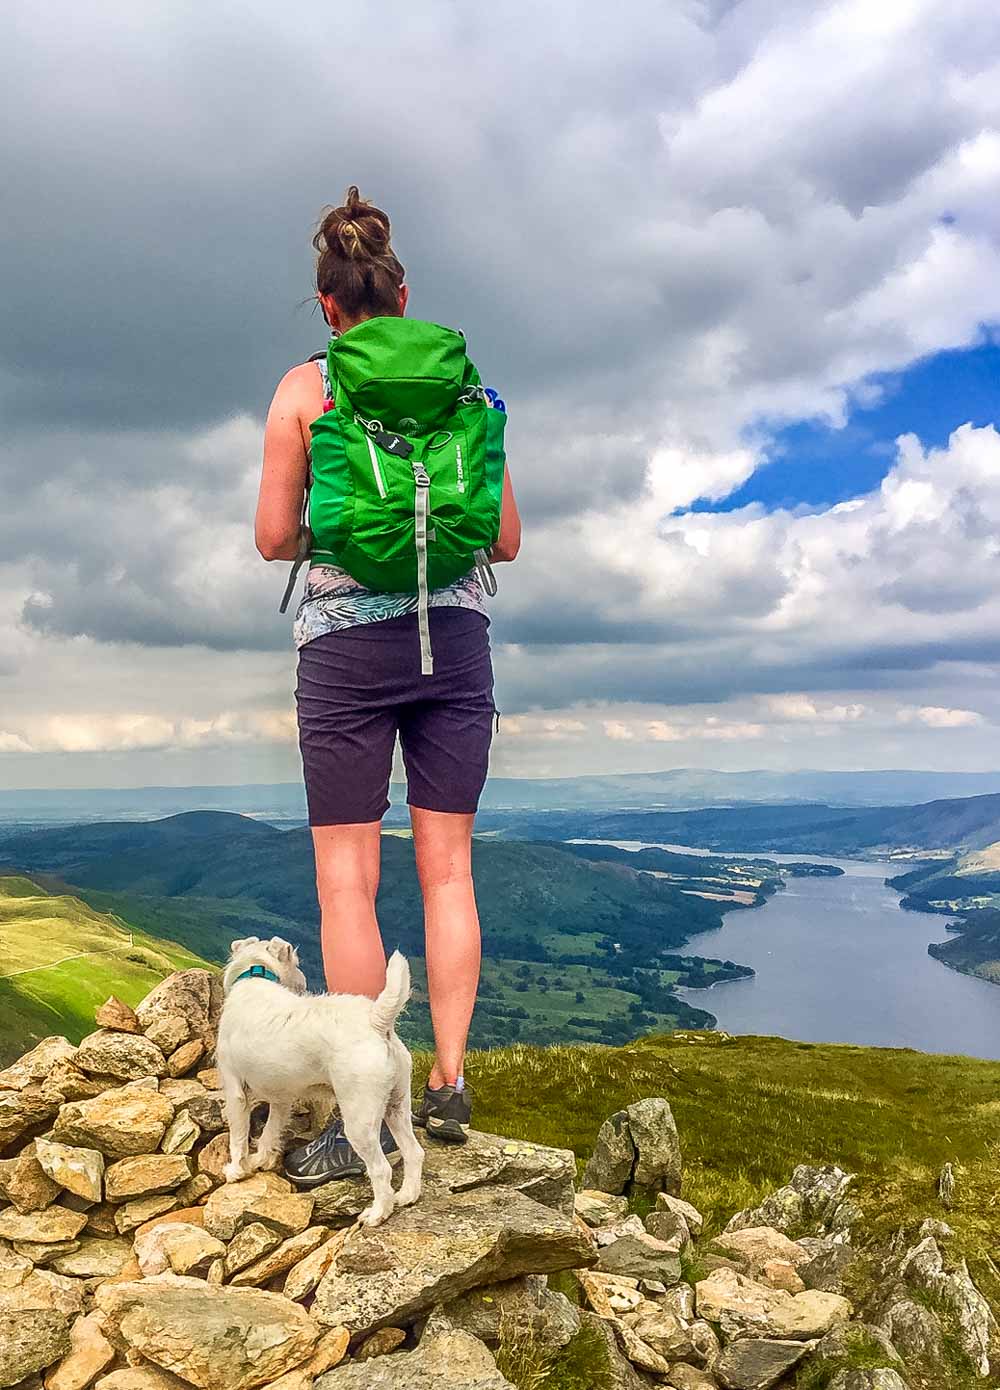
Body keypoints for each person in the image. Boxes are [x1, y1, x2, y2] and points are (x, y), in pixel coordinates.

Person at [254, 186, 521, 1186]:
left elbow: (272, 537)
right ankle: (449, 1085)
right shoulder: (467, 389)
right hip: (455, 641)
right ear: (402, 295)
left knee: (347, 878)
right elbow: (502, 539)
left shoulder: (302, 389)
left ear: (329, 307)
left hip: (345, 653)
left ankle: (370, 1100)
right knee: (447, 868)